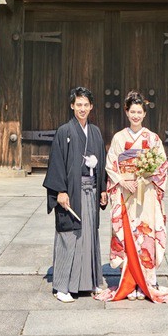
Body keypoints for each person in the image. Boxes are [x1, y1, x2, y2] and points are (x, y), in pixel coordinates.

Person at [95, 90, 168, 303]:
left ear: (144, 114)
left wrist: (145, 177)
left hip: (146, 193)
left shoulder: (153, 138)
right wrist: (122, 181)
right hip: (125, 193)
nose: (136, 116)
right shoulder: (119, 138)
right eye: (132, 112)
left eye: (139, 112)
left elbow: (162, 165)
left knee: (146, 235)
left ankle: (147, 282)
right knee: (128, 236)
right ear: (126, 112)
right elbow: (111, 164)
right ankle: (130, 283)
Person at [43, 86, 108, 303]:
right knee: (69, 235)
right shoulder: (64, 131)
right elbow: (56, 162)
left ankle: (90, 283)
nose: (82, 108)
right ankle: (62, 286)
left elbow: (102, 161)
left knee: (89, 236)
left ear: (91, 107)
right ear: (72, 106)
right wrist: (60, 191)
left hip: (91, 191)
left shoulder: (95, 132)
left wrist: (103, 189)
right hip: (71, 192)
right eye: (78, 104)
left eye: (85, 105)